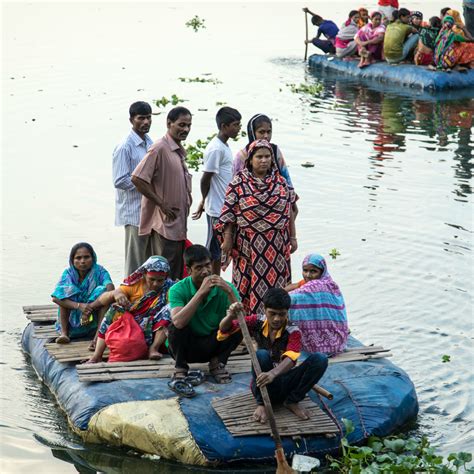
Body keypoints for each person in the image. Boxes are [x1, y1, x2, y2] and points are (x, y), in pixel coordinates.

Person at [219, 289, 328, 423]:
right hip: (261, 383)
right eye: (272, 313)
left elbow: (291, 359)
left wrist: (273, 373)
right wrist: (231, 316)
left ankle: (292, 400)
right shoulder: (256, 321)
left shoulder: (293, 331)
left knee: (320, 359)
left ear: (287, 312)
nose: (277, 319)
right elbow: (224, 329)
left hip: (285, 381)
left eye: (282, 314)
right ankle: (262, 403)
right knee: (261, 355)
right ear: (264, 310)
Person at [218, 139, 297, 314]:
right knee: (247, 283)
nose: (264, 160)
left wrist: (293, 237)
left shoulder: (280, 182)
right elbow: (229, 214)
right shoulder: (239, 182)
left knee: (276, 285)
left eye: (267, 156)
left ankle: (274, 322)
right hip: (248, 245)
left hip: (275, 247)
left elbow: (290, 210)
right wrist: (228, 239)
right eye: (259, 157)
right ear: (250, 160)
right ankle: (247, 322)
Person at [132, 107, 193, 280]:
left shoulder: (177, 150)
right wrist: (161, 204)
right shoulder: (159, 148)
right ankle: (162, 306)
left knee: (175, 272)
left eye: (189, 125)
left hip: (178, 224)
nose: (186, 130)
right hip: (164, 225)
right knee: (162, 273)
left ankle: (173, 306)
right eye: (181, 125)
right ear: (169, 123)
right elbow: (137, 178)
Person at [167, 245, 243, 384]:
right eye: (199, 268)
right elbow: (178, 322)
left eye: (208, 265)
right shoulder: (177, 289)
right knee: (174, 327)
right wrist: (200, 293)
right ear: (189, 270)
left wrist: (230, 292)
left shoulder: (225, 288)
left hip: (214, 343)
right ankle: (181, 366)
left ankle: (217, 362)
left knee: (239, 327)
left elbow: (241, 318)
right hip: (188, 346)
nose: (205, 271)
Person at [87, 256, 175, 363]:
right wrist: (117, 294)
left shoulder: (170, 288)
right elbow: (105, 298)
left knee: (170, 309)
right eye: (151, 280)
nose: (155, 284)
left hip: (154, 329)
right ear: (144, 275)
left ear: (165, 278)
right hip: (132, 325)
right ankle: (97, 355)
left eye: (160, 280)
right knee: (114, 308)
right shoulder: (134, 285)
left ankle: (154, 348)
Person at [192, 107, 242, 275]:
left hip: (223, 207)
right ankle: (210, 282)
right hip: (217, 209)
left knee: (219, 251)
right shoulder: (216, 149)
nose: (238, 128)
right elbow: (206, 177)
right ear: (223, 126)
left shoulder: (224, 145)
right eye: (235, 125)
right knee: (213, 250)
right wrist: (203, 201)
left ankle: (215, 281)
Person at [113, 101, 154, 277]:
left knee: (148, 260)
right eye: (141, 118)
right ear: (131, 120)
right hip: (134, 212)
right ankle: (128, 299)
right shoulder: (125, 147)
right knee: (134, 262)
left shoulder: (149, 142)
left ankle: (145, 301)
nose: (145, 122)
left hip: (149, 211)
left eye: (148, 117)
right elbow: (120, 180)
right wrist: (145, 187)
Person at [51, 242, 114, 348]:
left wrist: (90, 307)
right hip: (73, 321)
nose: (82, 261)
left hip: (92, 320)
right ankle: (64, 333)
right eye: (78, 258)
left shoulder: (100, 271)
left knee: (103, 291)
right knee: (64, 293)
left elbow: (110, 288)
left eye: (86, 257)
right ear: (72, 260)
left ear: (93, 258)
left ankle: (97, 338)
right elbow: (55, 298)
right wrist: (79, 306)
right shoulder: (68, 273)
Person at [285, 253, 349, 355]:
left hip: (327, 339)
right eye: (305, 270)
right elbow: (296, 285)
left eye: (313, 271)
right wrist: (280, 291)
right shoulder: (330, 284)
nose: (308, 275)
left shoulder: (320, 285)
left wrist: (278, 298)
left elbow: (290, 298)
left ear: (322, 272)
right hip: (337, 340)